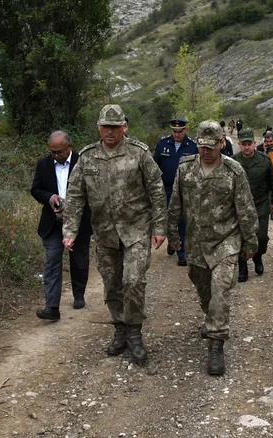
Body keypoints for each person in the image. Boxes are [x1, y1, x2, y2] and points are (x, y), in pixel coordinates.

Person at [63, 104, 168, 365]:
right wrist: (70, 230)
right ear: (99, 127)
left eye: (115, 126)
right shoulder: (87, 157)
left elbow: (156, 189)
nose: (110, 132)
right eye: (105, 126)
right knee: (111, 285)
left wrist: (160, 227)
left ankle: (134, 332)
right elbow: (75, 196)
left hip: (136, 231)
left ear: (124, 127)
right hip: (105, 233)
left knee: (133, 281)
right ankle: (119, 329)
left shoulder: (139, 153)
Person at [167, 121, 259, 375]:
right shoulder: (185, 168)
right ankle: (210, 317)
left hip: (225, 242)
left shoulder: (233, 171)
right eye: (202, 146)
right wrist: (173, 234)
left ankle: (216, 345)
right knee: (204, 290)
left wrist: (250, 241)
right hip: (196, 243)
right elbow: (175, 203)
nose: (206, 151)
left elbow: (245, 208)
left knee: (220, 292)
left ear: (221, 144)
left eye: (211, 147)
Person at [31, 131, 93, 321]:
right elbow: (35, 189)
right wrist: (50, 198)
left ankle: (79, 294)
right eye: (52, 152)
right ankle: (52, 307)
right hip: (53, 222)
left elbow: (92, 189)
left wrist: (74, 205)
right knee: (52, 262)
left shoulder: (83, 162)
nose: (55, 156)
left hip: (79, 221)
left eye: (59, 152)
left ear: (69, 148)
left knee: (79, 258)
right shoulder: (43, 164)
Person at [233, 129, 273, 282]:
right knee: (240, 237)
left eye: (249, 144)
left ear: (254, 144)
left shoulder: (265, 160)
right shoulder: (232, 162)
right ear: (239, 145)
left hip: (260, 203)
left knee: (260, 236)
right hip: (239, 206)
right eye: (243, 144)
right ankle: (242, 266)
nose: (247, 147)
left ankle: (258, 256)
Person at [153, 118, 199, 266]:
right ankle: (172, 241)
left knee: (182, 221)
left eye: (180, 131)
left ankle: (181, 251)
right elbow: (155, 166)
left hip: (185, 190)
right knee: (168, 219)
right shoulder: (162, 144)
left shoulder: (193, 146)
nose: (177, 134)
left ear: (185, 130)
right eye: (174, 131)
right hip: (166, 188)